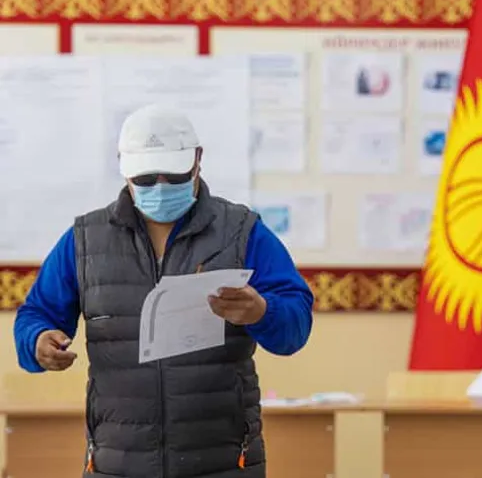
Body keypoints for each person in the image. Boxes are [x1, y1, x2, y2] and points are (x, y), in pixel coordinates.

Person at [13, 104, 314, 478]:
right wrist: (37, 341)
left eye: (173, 175)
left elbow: (295, 326)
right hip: (117, 463)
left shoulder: (242, 232)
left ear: (198, 160)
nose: (160, 187)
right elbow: (36, 315)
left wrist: (262, 312)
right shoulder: (85, 241)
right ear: (123, 168)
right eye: (145, 178)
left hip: (223, 463)